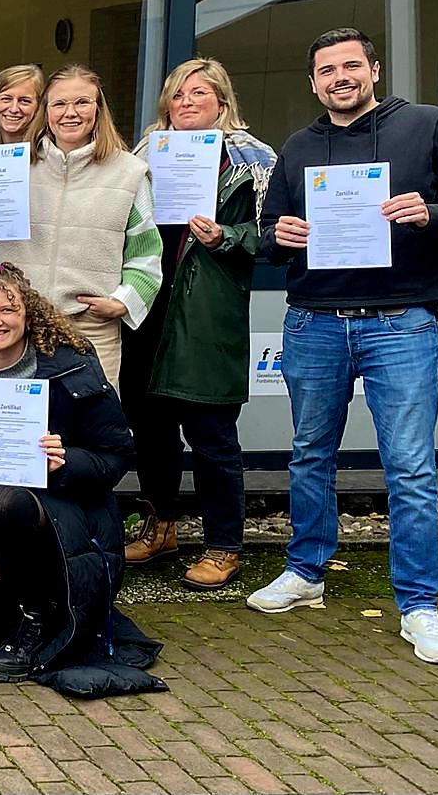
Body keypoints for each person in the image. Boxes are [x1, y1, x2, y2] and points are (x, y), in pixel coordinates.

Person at [248, 27, 438, 666]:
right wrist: (285, 233)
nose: (339, 78)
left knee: (409, 468)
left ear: (374, 70)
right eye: (326, 69)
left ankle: (419, 605)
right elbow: (268, 232)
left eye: (350, 66)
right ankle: (306, 572)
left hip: (400, 323)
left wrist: (430, 213)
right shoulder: (299, 147)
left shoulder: (427, 126)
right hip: (315, 321)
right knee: (310, 455)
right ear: (313, 82)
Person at [0, 267, 147, 688]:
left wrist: (67, 461)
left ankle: (37, 616)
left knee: (4, 501)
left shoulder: (72, 365)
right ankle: (36, 606)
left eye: (8, 309)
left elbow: (117, 454)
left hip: (66, 509)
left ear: (30, 315)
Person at [120, 59, 274, 590]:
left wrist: (226, 237)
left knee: (212, 437)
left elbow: (276, 237)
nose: (186, 103)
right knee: (152, 430)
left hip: (209, 315)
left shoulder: (253, 163)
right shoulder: (142, 159)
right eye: (177, 95)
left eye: (199, 93)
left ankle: (223, 544)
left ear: (223, 103)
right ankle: (160, 525)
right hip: (150, 309)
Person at [0, 64, 161, 387]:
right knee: (21, 430)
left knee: (91, 431)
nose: (70, 113)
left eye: (82, 103)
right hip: (21, 328)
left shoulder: (129, 172)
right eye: (59, 104)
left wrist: (122, 302)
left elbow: (146, 254)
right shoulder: (14, 166)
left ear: (98, 108)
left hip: (90, 329)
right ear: (45, 112)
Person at [0, 64, 45, 147]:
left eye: (24, 101)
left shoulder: (49, 152)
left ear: (38, 106)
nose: (14, 109)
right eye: (6, 99)